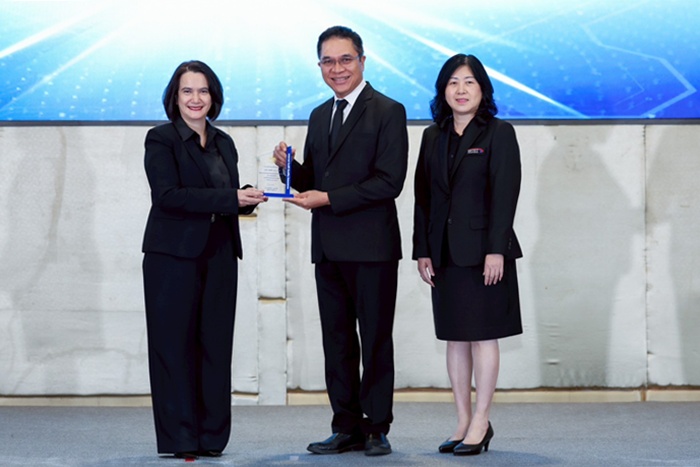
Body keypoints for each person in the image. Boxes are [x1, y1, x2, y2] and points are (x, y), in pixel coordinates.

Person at [273, 26, 408, 457]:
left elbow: (389, 181)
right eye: (328, 61)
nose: (337, 68)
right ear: (320, 66)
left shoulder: (388, 110)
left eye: (345, 59)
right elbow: (315, 180)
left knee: (375, 339)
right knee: (337, 341)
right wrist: (288, 169)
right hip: (328, 247)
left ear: (362, 61)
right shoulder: (319, 115)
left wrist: (328, 198)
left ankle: (376, 427)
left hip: (372, 248)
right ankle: (345, 425)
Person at [142, 60, 266, 459]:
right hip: (171, 257)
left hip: (219, 252)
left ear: (213, 97)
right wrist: (231, 197)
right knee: (173, 347)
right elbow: (168, 196)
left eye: (203, 91)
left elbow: (225, 195)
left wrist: (247, 197)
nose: (196, 99)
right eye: (187, 91)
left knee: (215, 345)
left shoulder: (223, 142)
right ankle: (181, 438)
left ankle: (212, 437)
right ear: (174, 97)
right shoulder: (160, 139)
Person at [412, 54, 523, 456]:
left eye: (469, 82)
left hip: (483, 254)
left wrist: (496, 250)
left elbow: (505, 195)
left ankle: (482, 420)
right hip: (443, 253)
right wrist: (422, 250)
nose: (461, 90)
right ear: (443, 90)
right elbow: (423, 198)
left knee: (483, 336)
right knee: (455, 339)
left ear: (482, 89)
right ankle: (462, 420)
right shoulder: (432, 136)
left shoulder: (499, 132)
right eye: (453, 82)